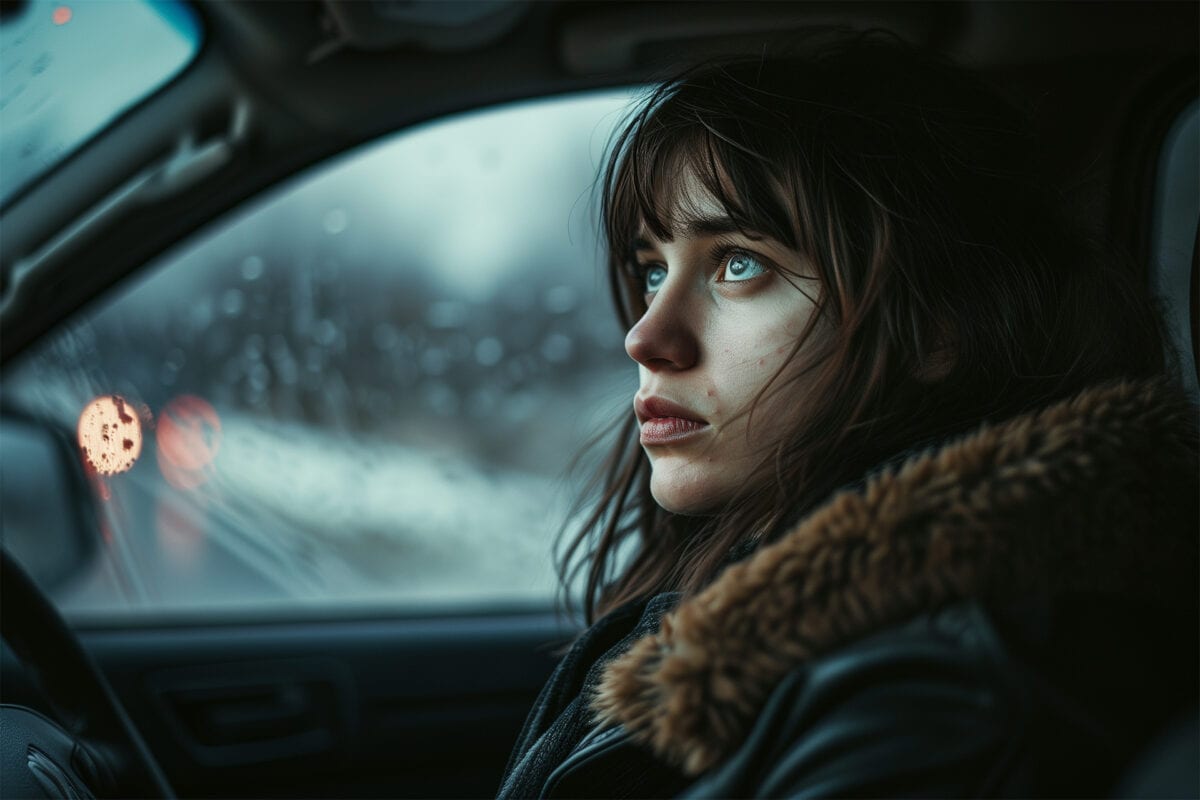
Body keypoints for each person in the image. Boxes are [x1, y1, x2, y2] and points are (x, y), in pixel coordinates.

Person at [497, 35, 1198, 799]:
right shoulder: (754, 610)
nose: (646, 336)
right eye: (653, 269)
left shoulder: (939, 689)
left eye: (739, 264)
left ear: (935, 329)